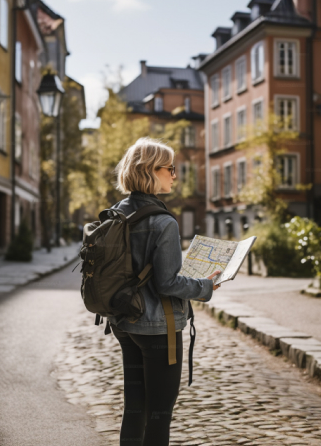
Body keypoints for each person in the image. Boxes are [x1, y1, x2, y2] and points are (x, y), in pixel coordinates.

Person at [107, 138, 221, 446]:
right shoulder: (162, 221)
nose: (174, 175)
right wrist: (206, 285)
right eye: (169, 168)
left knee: (135, 407)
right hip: (159, 328)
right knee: (159, 414)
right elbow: (167, 284)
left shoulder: (117, 212)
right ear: (149, 170)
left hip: (123, 322)